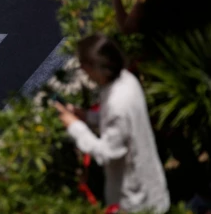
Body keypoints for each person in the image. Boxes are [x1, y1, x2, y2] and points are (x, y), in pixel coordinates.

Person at [53, 33, 171, 213]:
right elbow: (119, 123)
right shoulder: (126, 80)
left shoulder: (117, 104)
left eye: (84, 65)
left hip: (135, 197)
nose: (83, 71)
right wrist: (86, 116)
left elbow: (107, 152)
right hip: (148, 180)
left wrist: (75, 127)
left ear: (94, 66)